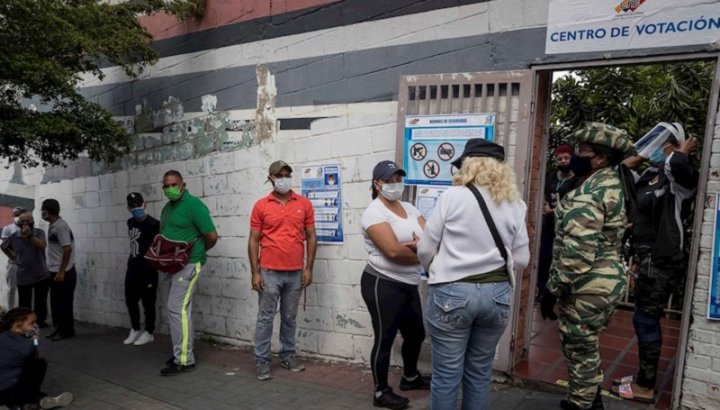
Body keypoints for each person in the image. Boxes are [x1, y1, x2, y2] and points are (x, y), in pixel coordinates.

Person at [418, 139, 530, 410]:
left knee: (446, 374)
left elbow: (424, 248)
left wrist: (434, 266)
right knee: (479, 373)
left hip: (452, 293)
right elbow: (522, 260)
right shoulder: (516, 205)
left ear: (468, 165)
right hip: (497, 296)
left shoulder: (452, 197)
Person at [543, 123, 636, 410]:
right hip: (603, 280)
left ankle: (583, 405)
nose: (575, 156)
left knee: (579, 347)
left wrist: (552, 289)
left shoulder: (591, 192)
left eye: (582, 151)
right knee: (587, 344)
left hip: (586, 284)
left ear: (601, 157)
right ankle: (589, 398)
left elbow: (577, 253)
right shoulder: (610, 182)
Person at [612, 123, 699, 402]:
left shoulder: (678, 180)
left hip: (663, 260)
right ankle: (642, 378)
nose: (656, 148)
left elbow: (679, 167)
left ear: (673, 146)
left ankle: (646, 387)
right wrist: (646, 152)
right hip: (644, 258)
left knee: (646, 320)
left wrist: (680, 150)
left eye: (661, 142)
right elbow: (621, 171)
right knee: (642, 317)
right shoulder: (650, 174)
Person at [360, 160, 430, 410]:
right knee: (385, 338)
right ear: (377, 184)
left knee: (416, 334)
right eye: (388, 180)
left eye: (398, 179)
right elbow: (392, 251)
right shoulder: (374, 212)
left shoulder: (410, 207)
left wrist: (423, 247)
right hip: (382, 282)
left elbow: (430, 238)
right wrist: (425, 253)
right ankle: (381, 393)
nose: (394, 184)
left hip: (408, 283)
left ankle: (410, 377)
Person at [248, 160, 317, 381]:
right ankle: (262, 360)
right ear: (271, 178)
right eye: (279, 175)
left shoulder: (303, 203)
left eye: (287, 174)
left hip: (296, 271)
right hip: (269, 271)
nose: (284, 179)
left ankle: (288, 354)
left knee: (289, 316)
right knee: (265, 317)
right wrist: (255, 272)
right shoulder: (261, 205)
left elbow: (311, 237)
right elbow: (253, 240)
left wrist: (309, 268)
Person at [159, 170, 218, 376]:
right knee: (179, 310)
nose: (170, 189)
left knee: (177, 309)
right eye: (166, 186)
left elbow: (211, 235)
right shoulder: (167, 208)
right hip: (171, 266)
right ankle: (181, 352)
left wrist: (197, 255)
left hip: (189, 264)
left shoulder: (194, 206)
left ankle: (184, 360)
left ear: (183, 185)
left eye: (174, 184)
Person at [0, 307, 73, 409]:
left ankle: (21, 404)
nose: (35, 326)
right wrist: (33, 343)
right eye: (32, 323)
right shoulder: (26, 345)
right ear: (18, 324)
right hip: (6, 392)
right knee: (38, 364)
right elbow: (31, 362)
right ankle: (35, 399)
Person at [537, 145, 579, 306]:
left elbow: (576, 203)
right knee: (545, 256)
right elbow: (542, 192)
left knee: (564, 257)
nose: (563, 161)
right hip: (549, 225)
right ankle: (542, 290)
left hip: (568, 225)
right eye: (560, 158)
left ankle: (563, 292)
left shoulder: (578, 179)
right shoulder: (551, 177)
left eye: (566, 158)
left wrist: (554, 211)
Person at [122, 193, 160, 346]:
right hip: (133, 266)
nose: (135, 207)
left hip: (149, 268)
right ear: (128, 207)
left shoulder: (154, 224)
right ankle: (135, 328)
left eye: (138, 204)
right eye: (132, 205)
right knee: (130, 299)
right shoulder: (130, 222)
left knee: (148, 302)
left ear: (145, 204)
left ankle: (149, 331)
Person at [1, 212, 50, 328]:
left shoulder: (39, 232)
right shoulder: (14, 236)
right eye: (23, 221)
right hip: (23, 274)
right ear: (18, 223)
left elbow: (42, 246)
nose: (25, 223)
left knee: (40, 301)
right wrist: (13, 257)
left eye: (28, 221)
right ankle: (26, 322)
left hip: (40, 273)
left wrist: (29, 236)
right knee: (24, 302)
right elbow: (3, 247)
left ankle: (40, 321)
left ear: (32, 221)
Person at [41, 199, 76, 342]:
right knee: (56, 303)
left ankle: (66, 331)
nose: (41, 213)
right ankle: (59, 328)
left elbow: (67, 248)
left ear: (47, 211)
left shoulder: (60, 226)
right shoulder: (53, 225)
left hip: (63, 272)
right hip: (55, 270)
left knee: (64, 303)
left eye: (42, 210)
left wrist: (62, 271)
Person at [1, 206, 26, 308]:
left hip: (26, 264)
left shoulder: (29, 228)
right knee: (11, 288)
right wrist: (13, 257)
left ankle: (24, 311)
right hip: (13, 264)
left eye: (19, 214)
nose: (17, 216)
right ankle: (10, 310)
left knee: (25, 289)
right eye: (15, 215)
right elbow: (4, 246)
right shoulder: (8, 228)